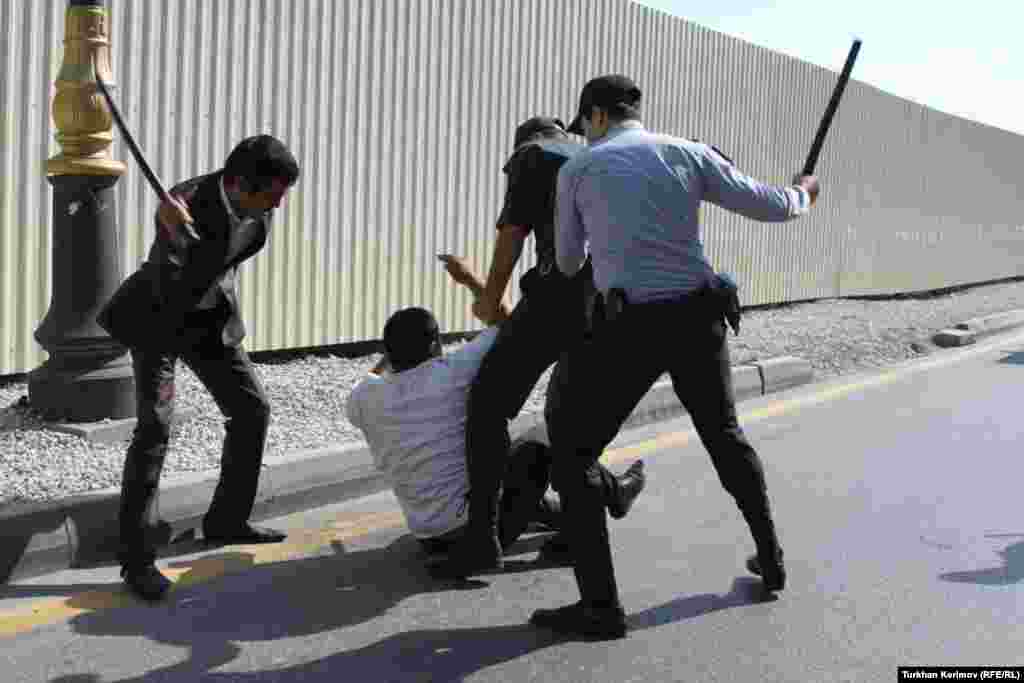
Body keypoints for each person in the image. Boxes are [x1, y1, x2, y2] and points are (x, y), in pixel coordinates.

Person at [526, 75, 822, 639]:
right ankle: (771, 557)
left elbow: (567, 263)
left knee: (575, 455)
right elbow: (775, 205)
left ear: (595, 116)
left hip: (629, 327)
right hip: (697, 319)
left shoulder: (579, 169)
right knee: (724, 436)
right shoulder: (689, 153)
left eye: (585, 124)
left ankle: (600, 608)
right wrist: (804, 191)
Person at [430, 117, 644, 579]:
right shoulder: (602, 156)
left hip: (558, 298)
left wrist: (489, 297)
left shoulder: (534, 154)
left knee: (488, 406)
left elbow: (512, 234)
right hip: (615, 303)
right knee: (568, 422)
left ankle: (481, 540)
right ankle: (580, 529)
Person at [97, 135, 300, 602]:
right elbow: (176, 272)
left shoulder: (259, 209)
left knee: (252, 410)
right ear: (239, 183)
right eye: (272, 196)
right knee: (154, 428)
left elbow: (225, 258)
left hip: (208, 321)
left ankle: (227, 520)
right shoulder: (181, 204)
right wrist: (175, 232)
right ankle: (137, 561)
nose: (277, 206)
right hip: (158, 319)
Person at [345, 256, 647, 566]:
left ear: (388, 351)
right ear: (435, 346)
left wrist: (389, 355)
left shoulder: (364, 398)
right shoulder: (452, 373)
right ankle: (613, 495)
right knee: (544, 436)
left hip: (427, 537)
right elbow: (512, 327)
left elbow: (370, 378)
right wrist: (470, 280)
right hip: (480, 528)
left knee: (498, 468)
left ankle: (584, 507)